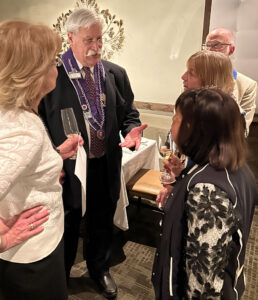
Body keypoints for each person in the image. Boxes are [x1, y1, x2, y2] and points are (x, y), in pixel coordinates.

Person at [39, 8, 146, 299]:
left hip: (106, 163)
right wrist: (51, 159)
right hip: (68, 168)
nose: (96, 47)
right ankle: (59, 277)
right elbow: (39, 123)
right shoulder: (52, 75)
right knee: (67, 224)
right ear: (70, 37)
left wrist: (133, 130)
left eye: (99, 39)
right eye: (89, 40)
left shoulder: (114, 73)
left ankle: (99, 270)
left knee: (101, 221)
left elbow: (129, 114)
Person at [0, 20, 83, 300]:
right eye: (52, 60)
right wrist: (2, 239)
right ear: (30, 72)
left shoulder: (14, 114)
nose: (57, 67)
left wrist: (56, 155)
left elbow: (18, 165)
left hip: (34, 248)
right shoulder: (23, 128)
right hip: (31, 256)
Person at [152, 88, 257, 299]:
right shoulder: (235, 166)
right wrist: (182, 177)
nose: (172, 126)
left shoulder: (207, 191)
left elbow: (203, 284)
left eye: (175, 118)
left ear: (191, 128)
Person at [157, 50, 236, 209]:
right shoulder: (207, 115)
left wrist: (178, 190)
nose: (183, 76)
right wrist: (181, 174)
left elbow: (205, 185)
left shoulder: (220, 124)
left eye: (191, 73)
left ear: (210, 80)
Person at [205, 27, 257, 134]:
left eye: (217, 45)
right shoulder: (193, 78)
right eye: (207, 45)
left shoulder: (247, 85)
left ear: (231, 50)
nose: (210, 50)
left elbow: (243, 130)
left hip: (226, 146)